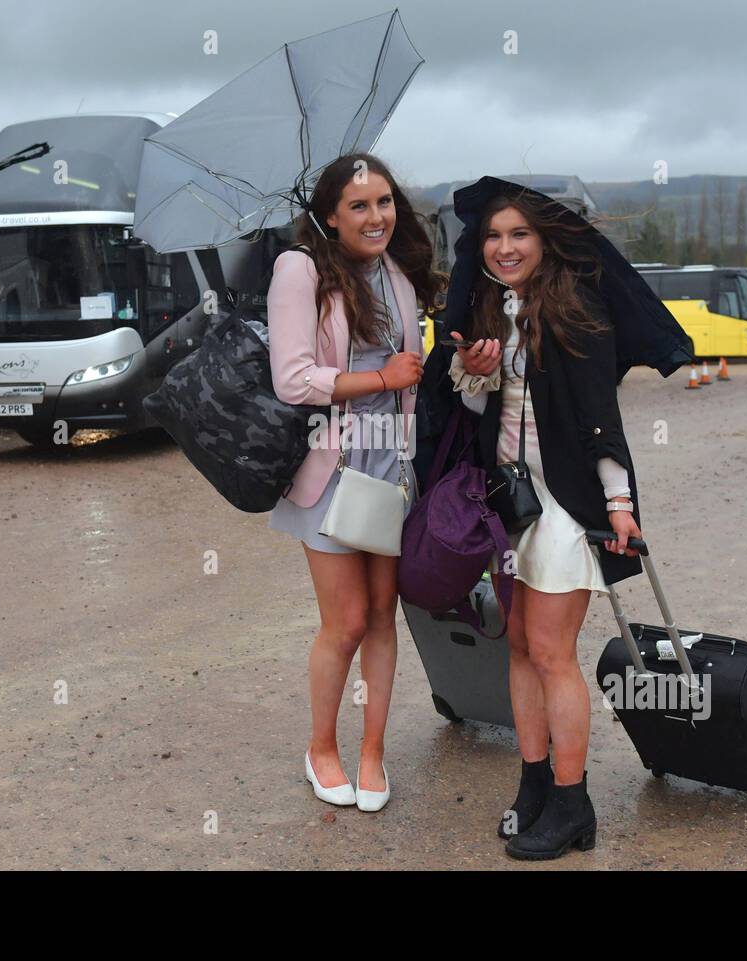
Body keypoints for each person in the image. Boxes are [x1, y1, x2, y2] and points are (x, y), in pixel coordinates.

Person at [438, 179, 688, 860]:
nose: (505, 246)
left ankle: (574, 804)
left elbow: (598, 418)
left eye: (519, 233)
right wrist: (473, 370)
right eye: (493, 236)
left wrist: (619, 504)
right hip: (511, 504)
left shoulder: (575, 308)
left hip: (568, 507)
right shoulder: (488, 307)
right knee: (517, 645)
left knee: (551, 652)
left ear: (545, 239)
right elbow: (473, 415)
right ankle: (534, 784)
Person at [266, 153, 444, 812]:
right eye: (361, 205)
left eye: (386, 201)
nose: (378, 216)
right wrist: (380, 379)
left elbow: (414, 366)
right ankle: (322, 748)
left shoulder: (396, 272)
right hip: (332, 465)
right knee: (342, 621)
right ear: (331, 215)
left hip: (391, 466)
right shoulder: (300, 271)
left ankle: (372, 752)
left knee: (381, 617)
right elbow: (292, 378)